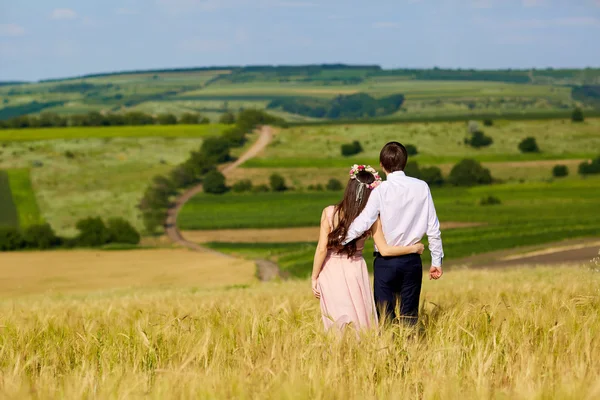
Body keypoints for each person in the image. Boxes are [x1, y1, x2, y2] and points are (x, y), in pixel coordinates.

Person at [311, 165, 425, 332]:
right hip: (355, 270)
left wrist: (315, 277)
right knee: (359, 320)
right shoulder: (372, 219)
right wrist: (414, 248)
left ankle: (338, 355)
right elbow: (385, 250)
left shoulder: (329, 212)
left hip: (329, 271)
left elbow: (321, 249)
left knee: (335, 322)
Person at [343, 142, 444, 326]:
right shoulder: (422, 187)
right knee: (409, 318)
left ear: (382, 164)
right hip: (412, 261)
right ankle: (412, 352)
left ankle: (389, 353)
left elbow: (364, 221)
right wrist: (436, 261)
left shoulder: (381, 191)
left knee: (385, 320)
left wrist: (341, 240)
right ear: (405, 162)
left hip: (385, 263)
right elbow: (433, 228)